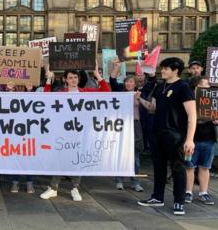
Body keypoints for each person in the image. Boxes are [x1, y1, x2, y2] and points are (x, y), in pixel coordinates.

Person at [40, 64, 110, 201]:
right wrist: (48, 79)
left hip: (81, 134)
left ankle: (75, 188)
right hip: (63, 134)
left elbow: (106, 92)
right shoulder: (60, 94)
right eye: (70, 78)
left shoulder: (86, 93)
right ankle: (53, 188)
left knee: (78, 161)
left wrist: (97, 74)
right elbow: (45, 99)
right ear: (65, 79)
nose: (73, 80)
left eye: (75, 77)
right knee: (60, 160)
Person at [137, 57, 197, 216]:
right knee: (158, 166)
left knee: (178, 168)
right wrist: (140, 99)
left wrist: (190, 139)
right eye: (161, 68)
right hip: (157, 133)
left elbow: (192, 115)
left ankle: (179, 201)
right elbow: (153, 108)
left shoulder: (183, 87)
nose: (161, 71)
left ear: (175, 70)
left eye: (165, 68)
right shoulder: (160, 86)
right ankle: (157, 196)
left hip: (176, 135)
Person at [109, 59, 144, 192]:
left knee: (135, 156)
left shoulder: (140, 94)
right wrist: (116, 67)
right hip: (122, 125)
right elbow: (112, 80)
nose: (129, 84)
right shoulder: (120, 92)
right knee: (121, 153)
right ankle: (119, 180)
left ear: (135, 84)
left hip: (135, 126)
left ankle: (135, 181)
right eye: (127, 81)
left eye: (131, 82)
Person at [185, 76, 218, 205]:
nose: (208, 87)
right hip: (192, 140)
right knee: (189, 166)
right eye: (205, 85)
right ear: (197, 86)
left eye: (208, 85)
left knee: (205, 167)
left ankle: (203, 193)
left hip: (209, 139)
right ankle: (188, 192)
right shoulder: (189, 101)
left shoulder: (213, 101)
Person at [10, 82, 36, 194]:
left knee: (28, 158)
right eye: (18, 86)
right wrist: (10, 91)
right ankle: (15, 182)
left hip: (28, 133)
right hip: (13, 133)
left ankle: (29, 182)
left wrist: (30, 91)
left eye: (22, 86)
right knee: (16, 158)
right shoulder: (10, 96)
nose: (20, 88)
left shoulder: (31, 96)